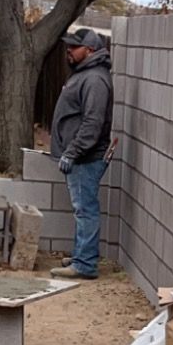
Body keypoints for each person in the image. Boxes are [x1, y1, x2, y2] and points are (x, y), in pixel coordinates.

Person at [49, 27, 113, 280]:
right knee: (81, 209)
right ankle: (80, 256)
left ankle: (85, 264)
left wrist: (72, 152)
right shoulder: (85, 74)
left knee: (85, 210)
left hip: (86, 158)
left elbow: (92, 123)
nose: (68, 51)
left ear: (90, 49)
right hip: (80, 156)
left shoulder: (95, 79)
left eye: (74, 47)